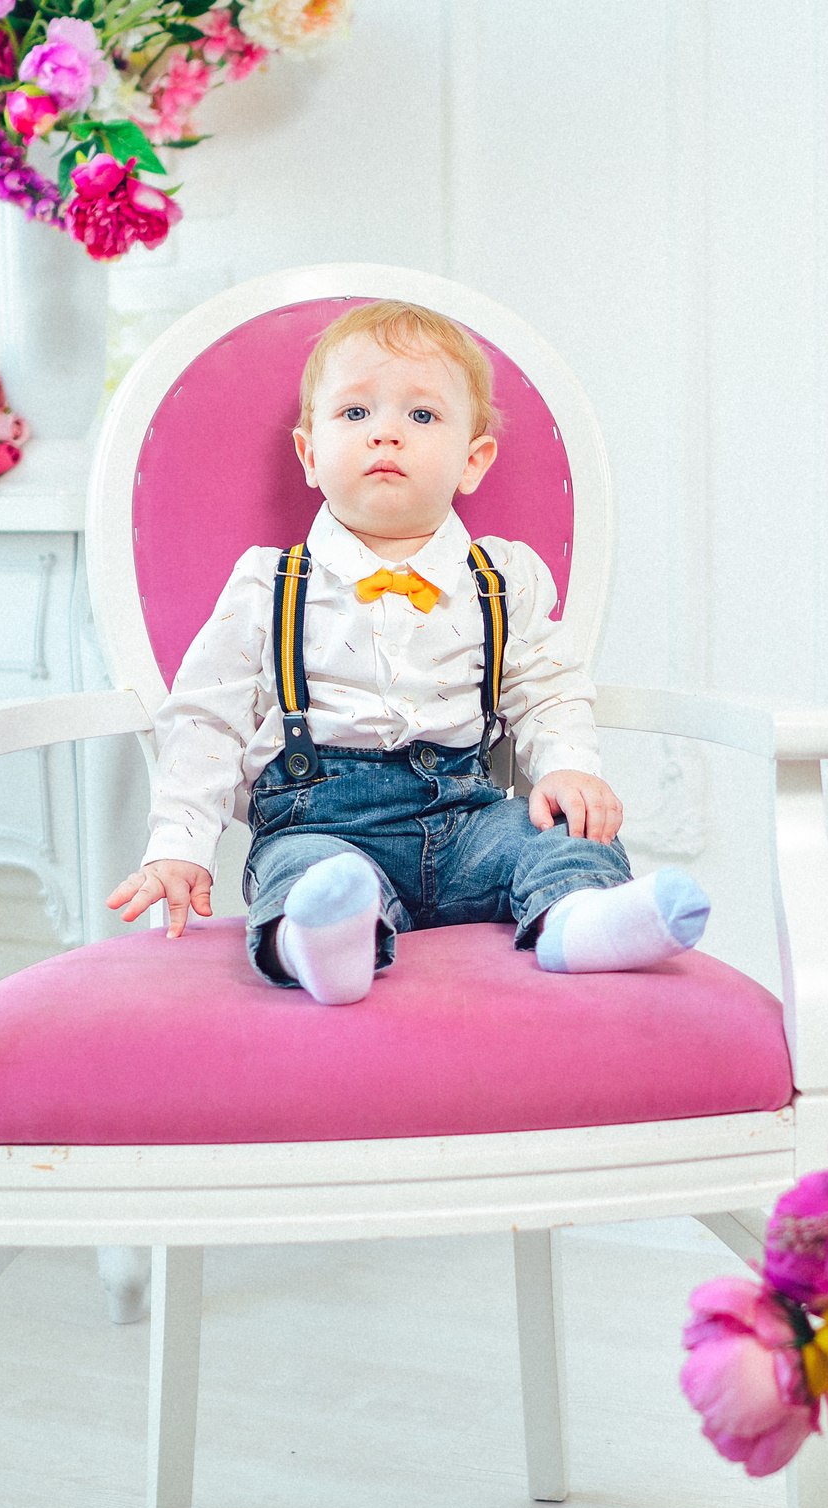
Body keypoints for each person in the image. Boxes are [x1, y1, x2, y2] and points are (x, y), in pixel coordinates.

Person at [105, 299, 709, 1004]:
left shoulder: (500, 577)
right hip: (323, 822)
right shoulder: (268, 583)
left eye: (421, 417)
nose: (386, 433)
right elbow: (206, 720)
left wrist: (570, 768)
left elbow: (550, 687)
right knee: (305, 873)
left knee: (562, 831)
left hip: (465, 824)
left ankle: (577, 921)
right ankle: (325, 941)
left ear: (472, 460)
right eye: (355, 414)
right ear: (309, 452)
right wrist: (179, 842)